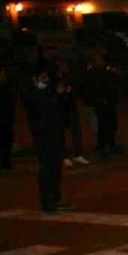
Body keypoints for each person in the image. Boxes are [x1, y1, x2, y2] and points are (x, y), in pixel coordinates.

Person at [21, 65, 73, 214]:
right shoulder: (31, 93)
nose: (46, 80)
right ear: (35, 78)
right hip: (43, 137)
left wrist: (64, 95)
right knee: (46, 170)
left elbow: (62, 111)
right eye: (43, 77)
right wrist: (55, 95)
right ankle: (47, 203)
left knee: (57, 169)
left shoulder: (49, 92)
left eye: (46, 77)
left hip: (56, 135)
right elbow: (39, 109)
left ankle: (56, 200)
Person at [85, 55, 121, 156]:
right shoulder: (91, 73)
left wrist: (112, 99)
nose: (99, 62)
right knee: (100, 125)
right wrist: (93, 101)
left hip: (109, 103)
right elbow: (88, 88)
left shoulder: (109, 72)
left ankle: (111, 144)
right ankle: (102, 145)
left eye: (100, 60)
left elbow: (114, 86)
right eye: (97, 60)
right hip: (98, 104)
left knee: (111, 124)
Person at [54, 59, 88, 166]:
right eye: (62, 66)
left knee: (76, 133)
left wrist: (70, 91)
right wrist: (60, 93)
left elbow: (76, 92)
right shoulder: (54, 79)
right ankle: (63, 157)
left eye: (66, 66)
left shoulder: (70, 78)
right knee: (61, 135)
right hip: (60, 111)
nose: (64, 68)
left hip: (72, 110)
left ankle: (78, 155)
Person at [1, 64, 17, 171]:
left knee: (7, 140)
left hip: (7, 118)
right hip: (5, 117)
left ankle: (7, 163)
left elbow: (12, 102)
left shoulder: (9, 87)